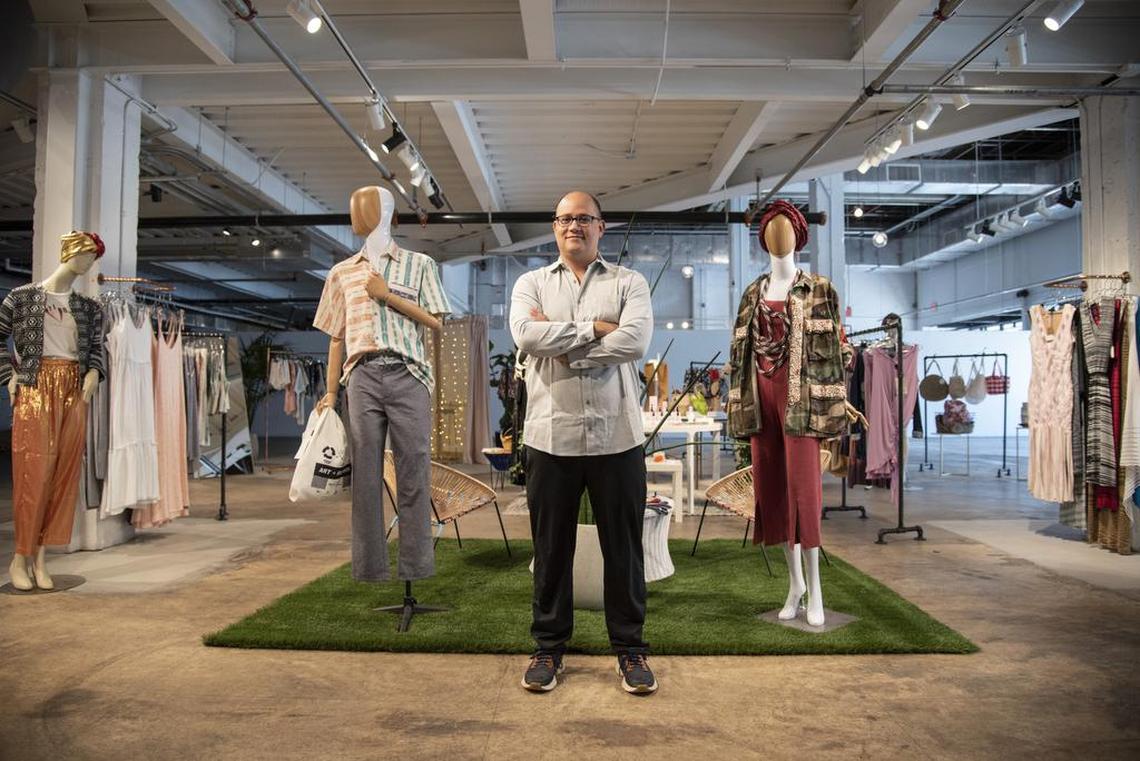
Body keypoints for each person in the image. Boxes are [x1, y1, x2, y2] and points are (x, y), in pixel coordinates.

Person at [509, 191, 656, 694]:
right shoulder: (530, 282)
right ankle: (548, 649)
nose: (574, 225)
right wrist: (593, 330)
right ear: (554, 227)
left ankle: (630, 649)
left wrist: (570, 350)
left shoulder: (628, 282)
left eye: (584, 218)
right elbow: (527, 337)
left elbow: (635, 341)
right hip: (552, 436)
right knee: (552, 550)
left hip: (618, 436)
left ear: (602, 226)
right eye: (565, 219)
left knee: (624, 550)